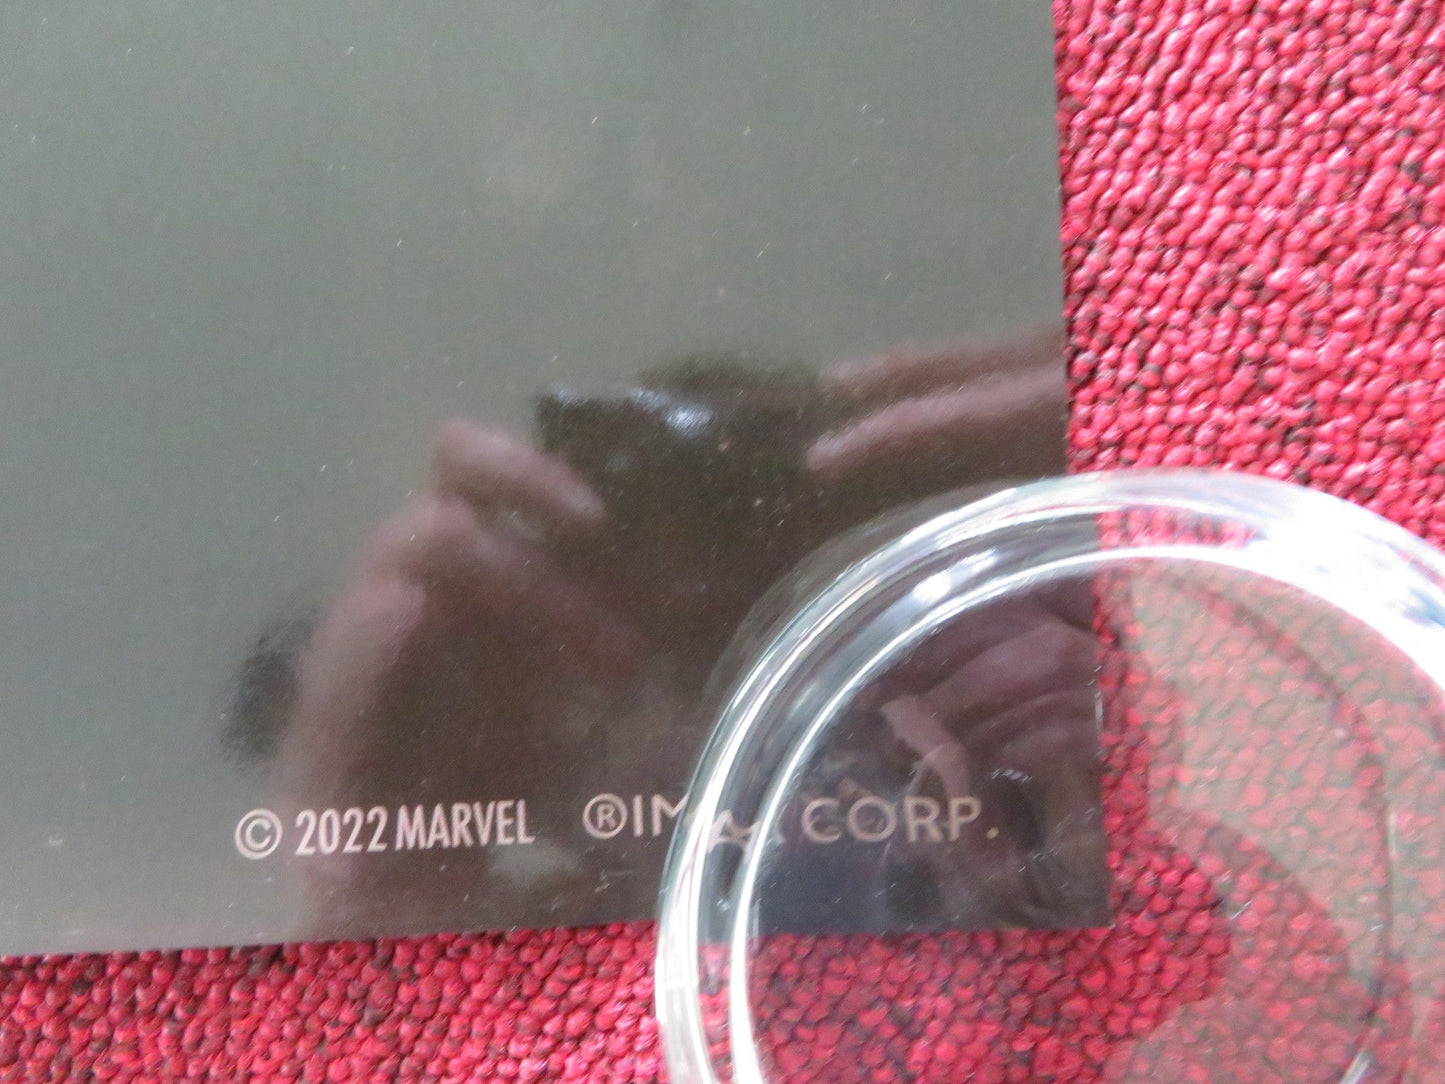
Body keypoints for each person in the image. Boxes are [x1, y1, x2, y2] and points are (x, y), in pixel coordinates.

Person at [231, 324, 1094, 936]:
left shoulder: (1060, 691)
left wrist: (1130, 559)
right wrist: (377, 896)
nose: (752, 681)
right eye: (676, 657)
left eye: (817, 566)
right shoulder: (541, 941)